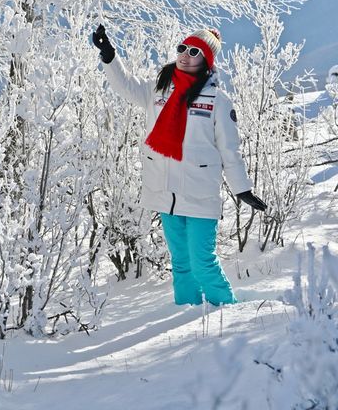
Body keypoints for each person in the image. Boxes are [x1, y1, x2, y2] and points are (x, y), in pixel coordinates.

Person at [92, 23, 266, 307]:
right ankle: (187, 314)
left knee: (202, 264)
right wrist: (110, 56)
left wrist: (242, 189)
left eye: (194, 51)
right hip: (165, 192)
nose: (185, 55)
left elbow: (229, 150)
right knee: (182, 265)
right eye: (182, 48)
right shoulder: (160, 90)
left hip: (199, 194)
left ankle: (228, 312)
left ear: (206, 60)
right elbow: (126, 86)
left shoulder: (218, 101)